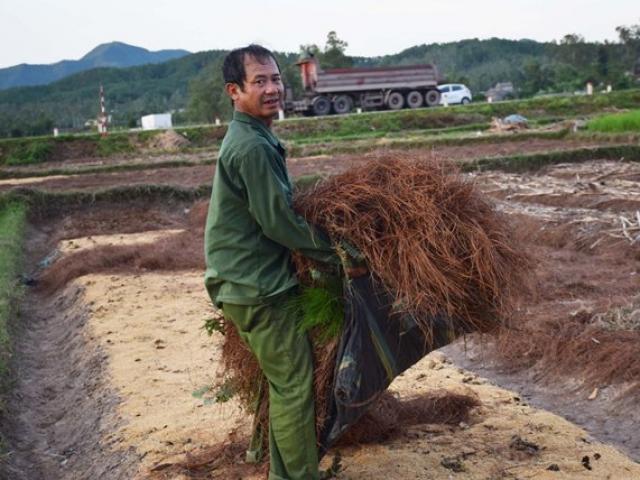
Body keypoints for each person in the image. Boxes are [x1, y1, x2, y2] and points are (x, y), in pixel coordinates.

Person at [204, 45, 361, 480]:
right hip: (258, 288)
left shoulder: (254, 137)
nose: (273, 89)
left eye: (276, 79)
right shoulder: (251, 147)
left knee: (284, 385)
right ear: (234, 92)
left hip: (247, 281)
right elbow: (278, 222)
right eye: (260, 82)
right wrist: (336, 252)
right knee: (294, 387)